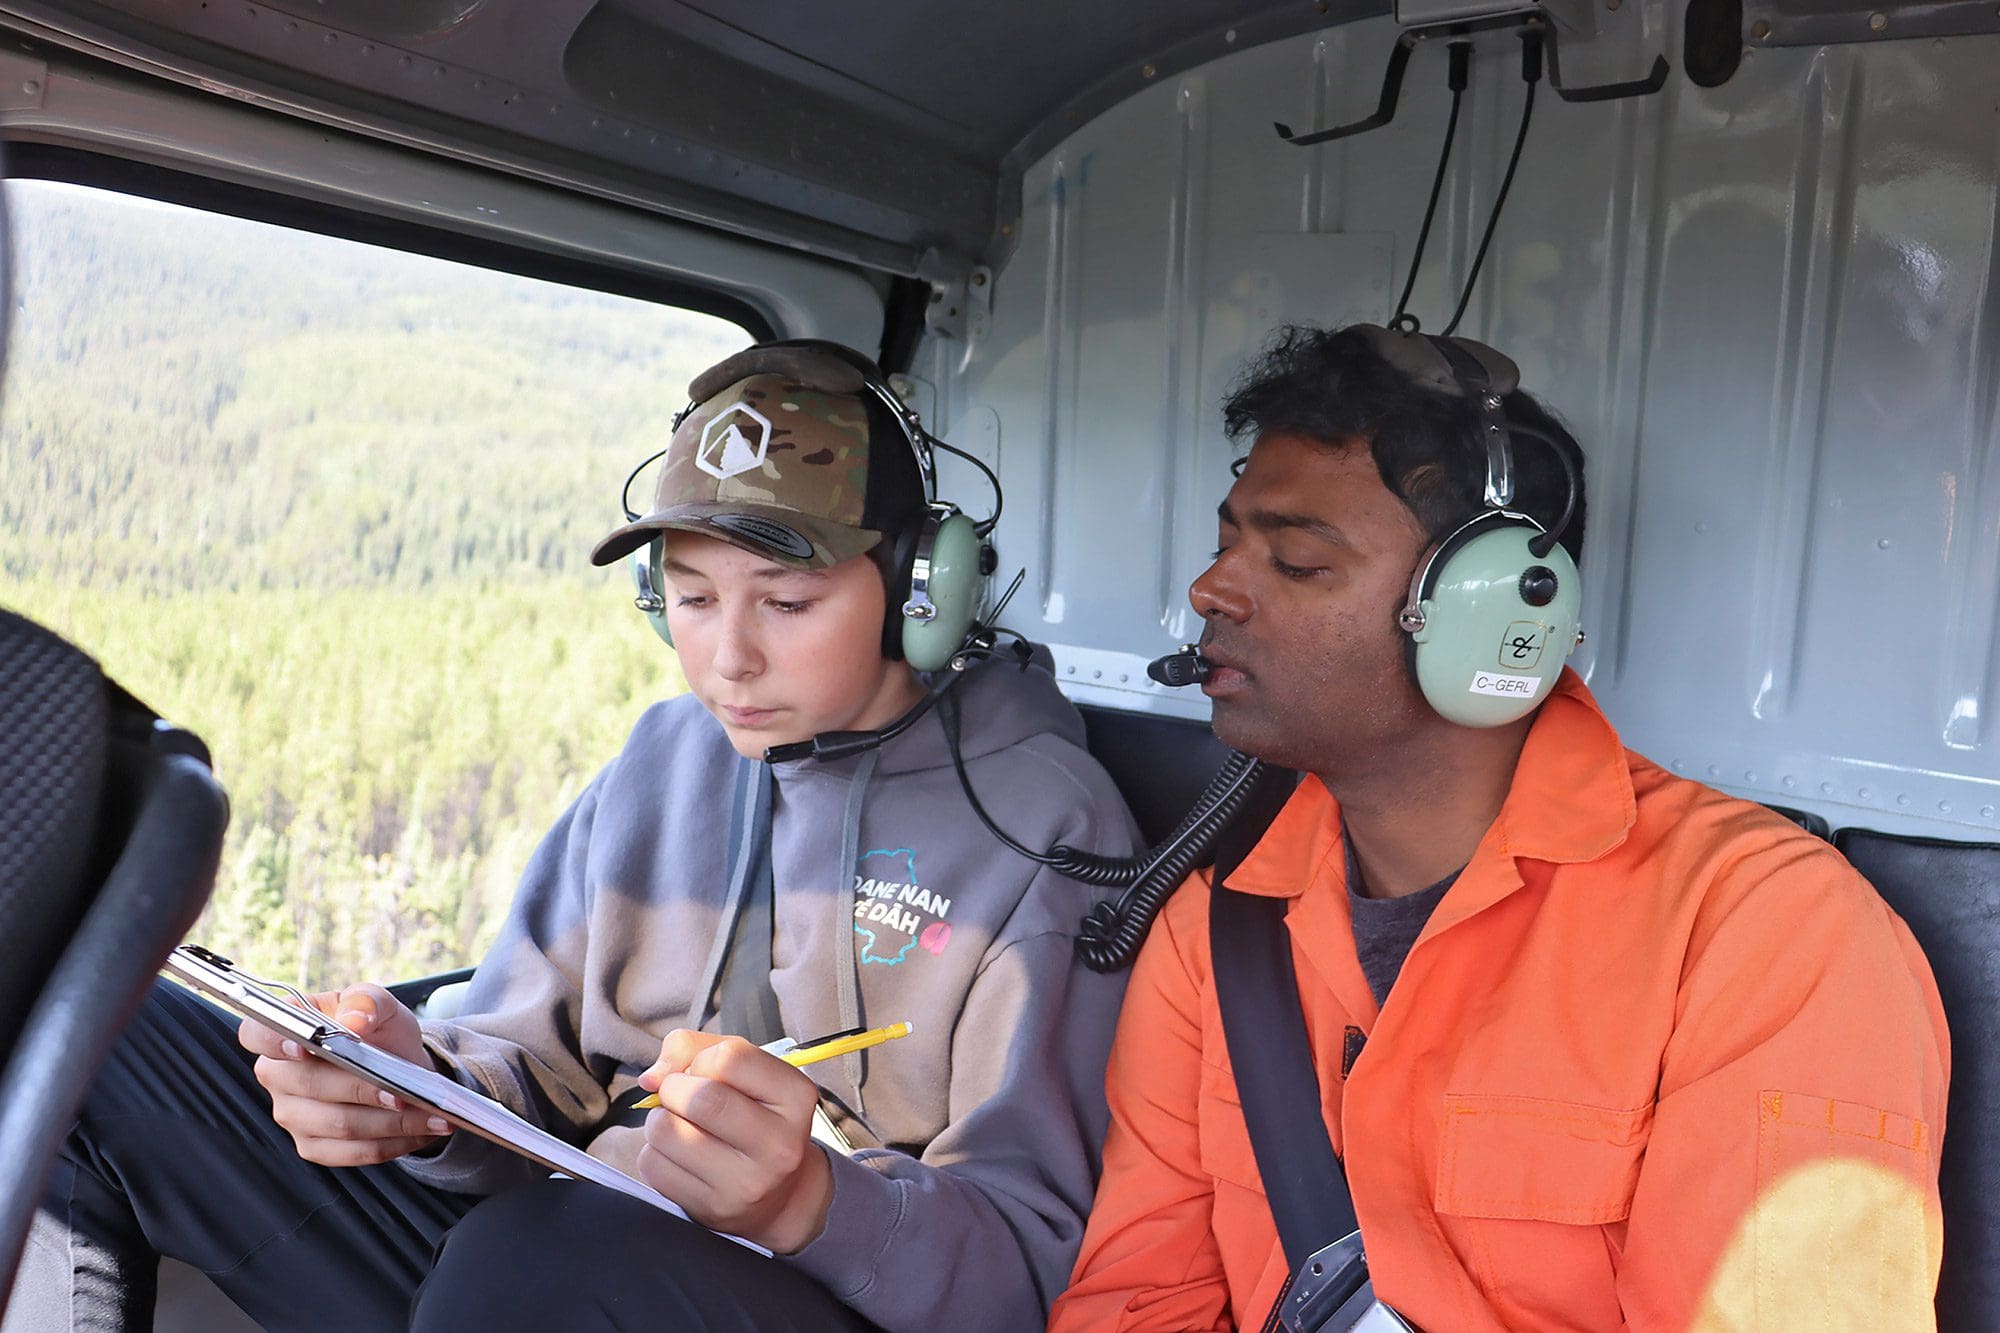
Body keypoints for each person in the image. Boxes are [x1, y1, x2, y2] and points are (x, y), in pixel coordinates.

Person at [23, 340, 1139, 1332]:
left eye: (785, 604)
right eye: (692, 599)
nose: (727, 661)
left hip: (829, 1288)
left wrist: (810, 1201)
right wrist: (414, 1089)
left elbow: (1036, 1265)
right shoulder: (662, 762)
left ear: (917, 591)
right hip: (555, 1262)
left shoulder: (1043, 822)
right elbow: (519, 1052)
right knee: (105, 1031)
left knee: (536, 1256)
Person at [1049, 323, 1949, 1331]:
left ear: (1491, 618)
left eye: (1295, 560)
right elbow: (1135, 1302)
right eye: (1225, 545)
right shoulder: (1217, 926)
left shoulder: (1763, 934)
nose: (1210, 590)